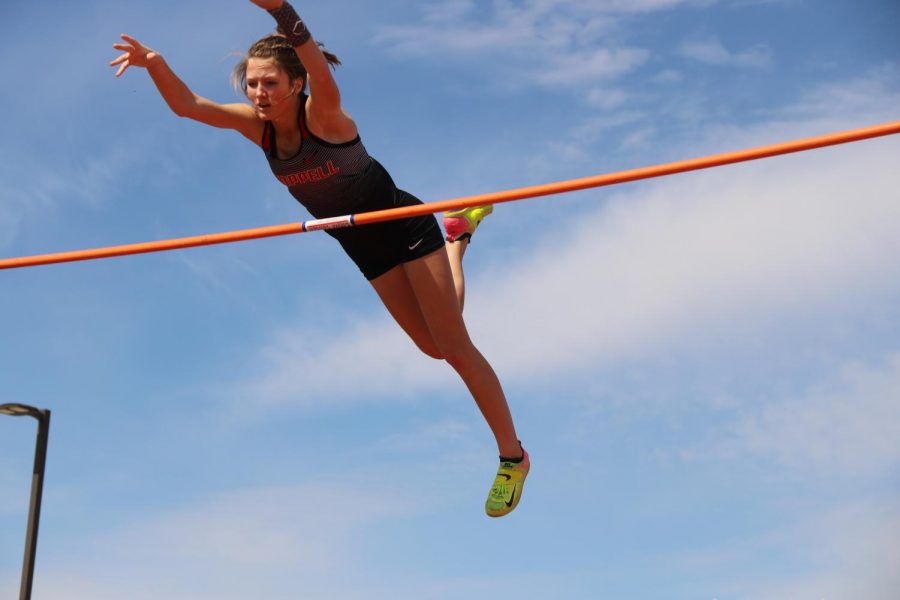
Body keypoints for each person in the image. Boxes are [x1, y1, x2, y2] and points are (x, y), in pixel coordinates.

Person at [110, 0, 529, 518]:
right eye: (253, 84)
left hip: (400, 224)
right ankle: (458, 236)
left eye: (271, 84)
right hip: (359, 243)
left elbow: (314, 62)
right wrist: (154, 63)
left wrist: (283, 10)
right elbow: (189, 106)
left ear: (297, 84)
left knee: (456, 348)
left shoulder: (323, 114)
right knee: (433, 347)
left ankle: (513, 455)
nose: (259, 94)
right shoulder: (257, 129)